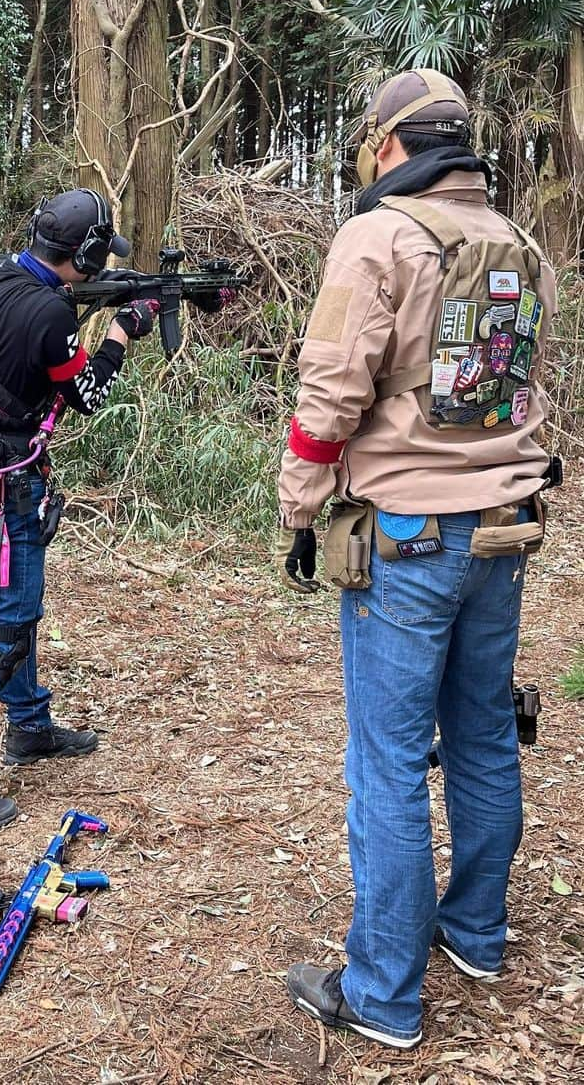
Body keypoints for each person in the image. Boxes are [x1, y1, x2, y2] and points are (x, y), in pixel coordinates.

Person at [275, 70, 557, 1049]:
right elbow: (523, 385)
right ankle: (476, 930)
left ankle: (383, 995)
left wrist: (299, 510)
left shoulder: (378, 234)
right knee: (480, 735)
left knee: (387, 764)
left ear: (387, 143)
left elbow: (331, 389)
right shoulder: (516, 241)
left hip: (409, 537)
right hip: (504, 527)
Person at [0, 189, 162, 834]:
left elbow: (21, 351)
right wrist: (121, 333)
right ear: (87, 251)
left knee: (14, 606)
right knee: (5, 626)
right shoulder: (49, 313)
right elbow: (86, 392)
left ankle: (28, 725)